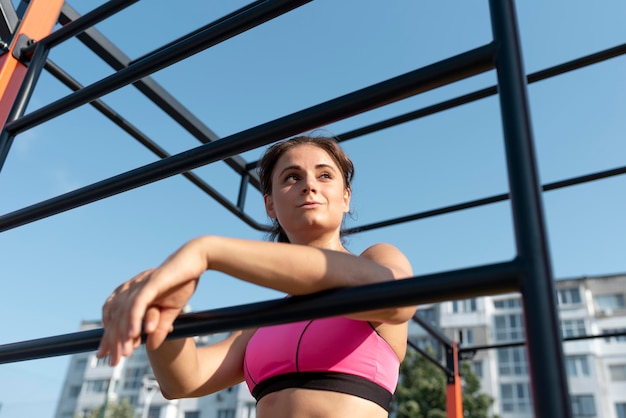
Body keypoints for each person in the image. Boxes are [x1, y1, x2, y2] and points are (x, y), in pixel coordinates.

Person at [97, 134, 415, 417]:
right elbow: (183, 382)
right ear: (270, 205)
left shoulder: (379, 258)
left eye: (325, 175)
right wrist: (163, 314)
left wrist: (208, 251)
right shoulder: (264, 322)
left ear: (345, 197)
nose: (310, 184)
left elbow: (396, 302)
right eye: (292, 177)